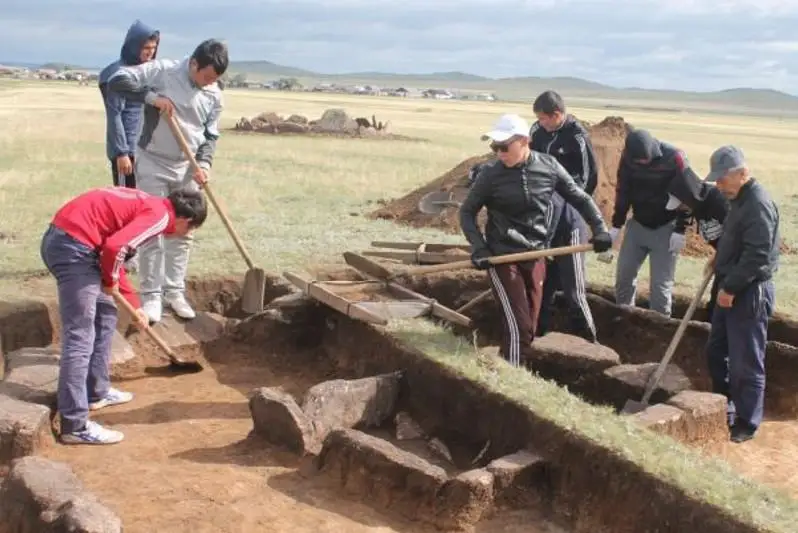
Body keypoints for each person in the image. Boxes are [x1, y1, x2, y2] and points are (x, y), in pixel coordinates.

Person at [40, 186, 208, 445]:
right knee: (80, 336)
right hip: (74, 249)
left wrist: (134, 304)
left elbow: (116, 257)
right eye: (191, 229)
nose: (188, 233)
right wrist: (109, 279)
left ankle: (96, 392)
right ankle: (74, 424)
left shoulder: (153, 206)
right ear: (185, 220)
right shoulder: (160, 217)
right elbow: (115, 248)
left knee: (106, 314)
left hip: (74, 244)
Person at [459, 114, 612, 368]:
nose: (499, 153)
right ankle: (513, 379)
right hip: (501, 256)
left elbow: (579, 197)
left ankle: (513, 371)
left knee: (530, 322)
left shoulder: (548, 167)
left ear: (524, 142)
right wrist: (479, 248)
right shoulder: (490, 175)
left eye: (504, 147)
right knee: (517, 325)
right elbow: (466, 212)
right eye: (494, 147)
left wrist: (600, 229)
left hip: (535, 255)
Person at [105, 38, 227, 323]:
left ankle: (174, 291)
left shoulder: (215, 94)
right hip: (153, 161)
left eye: (215, 79)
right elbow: (117, 80)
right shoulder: (163, 70)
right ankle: (151, 297)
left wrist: (205, 164)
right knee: (152, 231)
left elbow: (211, 135)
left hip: (188, 166)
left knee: (185, 232)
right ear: (194, 63)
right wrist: (152, 98)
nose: (209, 83)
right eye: (206, 76)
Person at [702, 146, 779, 443]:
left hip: (748, 292)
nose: (718, 185)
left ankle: (747, 421)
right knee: (716, 350)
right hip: (730, 284)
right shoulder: (738, 200)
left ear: (742, 173)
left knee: (746, 360)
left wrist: (731, 287)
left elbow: (758, 255)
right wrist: (719, 258)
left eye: (723, 178)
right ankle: (724, 404)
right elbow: (737, 241)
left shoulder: (758, 204)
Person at [529, 90, 599, 342]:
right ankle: (536, 338)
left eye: (545, 119)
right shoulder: (537, 131)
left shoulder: (577, 137)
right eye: (539, 119)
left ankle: (591, 343)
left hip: (569, 220)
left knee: (573, 290)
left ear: (557, 114)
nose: (541, 123)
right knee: (542, 285)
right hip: (543, 217)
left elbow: (589, 178)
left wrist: (570, 201)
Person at [610, 128, 695, 317]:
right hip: (638, 225)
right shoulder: (628, 159)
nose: (642, 163)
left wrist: (680, 229)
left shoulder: (675, 157)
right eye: (638, 160)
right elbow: (623, 191)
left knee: (660, 287)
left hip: (666, 228)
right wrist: (617, 225)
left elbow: (689, 194)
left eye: (645, 159)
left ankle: (661, 329)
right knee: (624, 278)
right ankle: (624, 321)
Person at [98, 20, 160, 189]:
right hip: (127, 150)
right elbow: (115, 115)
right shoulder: (117, 74)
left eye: (153, 48)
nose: (150, 53)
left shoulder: (149, 71)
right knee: (127, 201)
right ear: (134, 46)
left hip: (147, 150)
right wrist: (121, 153)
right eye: (146, 48)